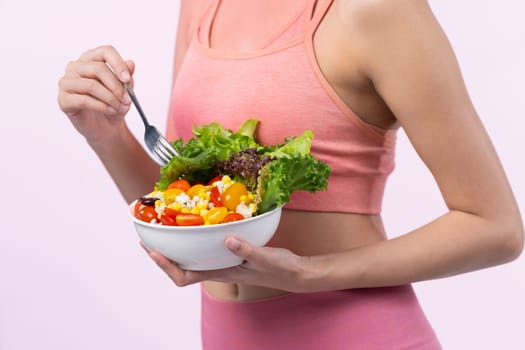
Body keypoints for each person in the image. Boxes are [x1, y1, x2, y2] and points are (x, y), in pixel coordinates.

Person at [58, 0, 524, 348]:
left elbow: (495, 227)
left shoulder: (376, 10)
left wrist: (310, 273)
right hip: (224, 335)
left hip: (357, 334)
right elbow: (185, 205)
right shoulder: (203, 5)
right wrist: (105, 133)